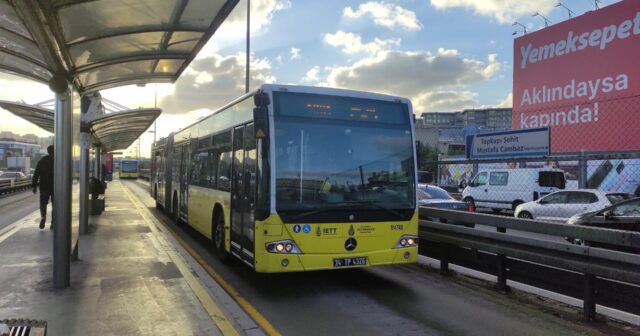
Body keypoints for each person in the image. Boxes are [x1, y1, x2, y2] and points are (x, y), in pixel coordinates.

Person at [32, 145, 54, 229]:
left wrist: (34, 186)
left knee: (43, 203)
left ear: (48, 151)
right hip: (56, 186)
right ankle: (53, 222)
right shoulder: (58, 160)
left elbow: (36, 174)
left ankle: (43, 217)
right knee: (55, 204)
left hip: (44, 186)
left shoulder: (42, 161)